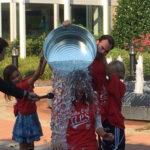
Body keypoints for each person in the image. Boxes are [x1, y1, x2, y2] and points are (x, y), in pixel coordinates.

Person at [52, 70, 114, 150]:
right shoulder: (64, 104)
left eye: (83, 84)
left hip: (90, 146)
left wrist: (103, 134)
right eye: (77, 84)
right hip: (71, 146)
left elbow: (98, 125)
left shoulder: (93, 100)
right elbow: (57, 127)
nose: (81, 88)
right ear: (71, 86)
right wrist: (57, 140)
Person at [3, 53, 47, 150]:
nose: (17, 78)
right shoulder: (18, 87)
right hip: (24, 119)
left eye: (17, 75)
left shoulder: (24, 81)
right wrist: (40, 61)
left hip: (32, 116)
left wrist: (45, 60)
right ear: (9, 82)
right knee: (23, 145)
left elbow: (39, 73)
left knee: (30, 145)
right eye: (13, 78)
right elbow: (35, 76)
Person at [98, 60, 126, 150]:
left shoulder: (120, 85)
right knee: (106, 146)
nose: (107, 75)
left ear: (118, 74)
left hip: (114, 123)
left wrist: (102, 57)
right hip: (105, 122)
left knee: (115, 147)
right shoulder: (106, 84)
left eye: (110, 73)